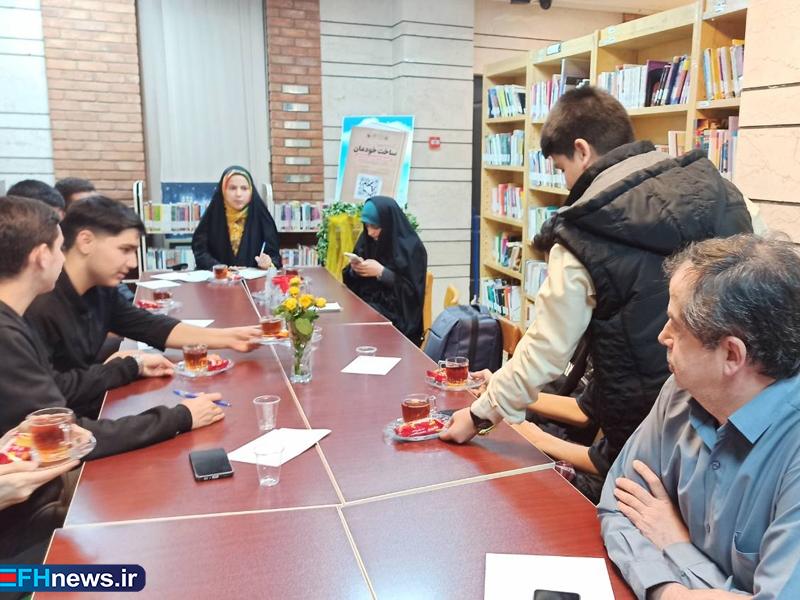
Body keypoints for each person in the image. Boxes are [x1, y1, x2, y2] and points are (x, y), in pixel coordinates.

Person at [440, 86, 761, 502]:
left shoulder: (583, 233)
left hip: (643, 433)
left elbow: (546, 349)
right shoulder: (725, 192)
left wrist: (478, 416)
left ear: (582, 150)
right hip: (736, 417)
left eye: (561, 168)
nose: (565, 182)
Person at [0, 195, 224, 564]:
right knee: (128, 566)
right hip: (18, 540)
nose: (64, 259)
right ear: (41, 256)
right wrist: (179, 417)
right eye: (59, 248)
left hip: (28, 505)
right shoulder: (11, 334)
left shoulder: (15, 323)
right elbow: (66, 438)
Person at [598, 235, 800, 599]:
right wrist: (667, 589)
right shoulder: (682, 390)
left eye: (676, 326)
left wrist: (677, 549)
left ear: (731, 355)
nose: (662, 336)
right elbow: (618, 507)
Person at [25, 195, 263, 418]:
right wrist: (126, 367)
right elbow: (51, 391)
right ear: (85, 241)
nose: (132, 263)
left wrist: (231, 337)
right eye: (125, 250)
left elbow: (149, 326)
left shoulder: (99, 290)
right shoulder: (40, 304)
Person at [343, 196, 427, 345]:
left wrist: (383, 273)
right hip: (368, 310)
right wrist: (355, 270)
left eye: (375, 227)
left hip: (398, 319)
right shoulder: (367, 241)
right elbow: (350, 281)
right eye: (366, 226)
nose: (370, 232)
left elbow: (412, 296)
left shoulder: (411, 248)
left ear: (388, 224)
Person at [191, 165, 281, 270]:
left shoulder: (262, 217)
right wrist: (220, 268)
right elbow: (200, 252)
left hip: (254, 279)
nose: (238, 194)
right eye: (232, 188)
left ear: (251, 191)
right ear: (223, 190)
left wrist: (268, 263)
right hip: (217, 278)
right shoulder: (212, 216)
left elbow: (275, 256)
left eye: (244, 188)